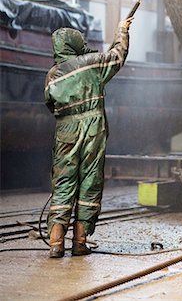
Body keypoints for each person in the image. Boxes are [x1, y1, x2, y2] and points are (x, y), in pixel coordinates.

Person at [44, 18, 133, 258]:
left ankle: (55, 244)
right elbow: (117, 56)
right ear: (75, 44)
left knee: (63, 184)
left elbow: (51, 105)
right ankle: (80, 242)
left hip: (65, 131)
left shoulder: (52, 75)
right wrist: (122, 30)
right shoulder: (91, 64)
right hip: (93, 128)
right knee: (90, 181)